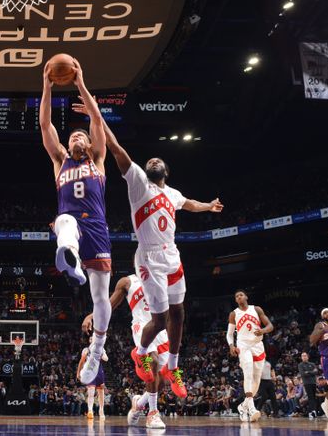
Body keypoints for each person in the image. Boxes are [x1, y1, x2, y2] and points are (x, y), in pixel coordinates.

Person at [72, 100, 222, 397]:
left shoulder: (173, 193)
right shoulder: (140, 182)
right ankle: (140, 352)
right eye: (150, 160)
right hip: (149, 255)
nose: (153, 161)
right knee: (161, 317)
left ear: (166, 170)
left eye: (157, 161)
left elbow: (188, 203)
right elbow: (115, 148)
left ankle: (174, 366)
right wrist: (96, 117)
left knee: (178, 313)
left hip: (172, 253)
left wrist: (208, 205)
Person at [40, 58, 112, 385]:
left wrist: (81, 82)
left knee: (99, 297)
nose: (76, 139)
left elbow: (97, 119)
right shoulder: (60, 162)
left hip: (97, 228)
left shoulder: (98, 159)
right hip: (73, 225)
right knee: (63, 220)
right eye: (72, 138)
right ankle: (68, 255)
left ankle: (97, 346)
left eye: (81, 136)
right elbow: (45, 127)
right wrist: (46, 84)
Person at [83, 273, 169, 429]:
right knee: (153, 362)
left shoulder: (161, 275)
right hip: (141, 326)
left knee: (162, 382)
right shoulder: (128, 282)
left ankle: (139, 404)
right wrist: (92, 315)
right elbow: (109, 305)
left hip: (160, 329)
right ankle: (153, 413)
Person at [227, 289, 273, 422]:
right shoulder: (234, 314)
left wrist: (263, 330)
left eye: (241, 295)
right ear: (236, 300)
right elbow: (229, 334)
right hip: (243, 346)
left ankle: (243, 406)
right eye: (236, 296)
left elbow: (270, 325)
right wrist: (231, 346)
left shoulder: (256, 309)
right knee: (248, 372)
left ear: (246, 297)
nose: (239, 297)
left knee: (257, 378)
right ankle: (252, 409)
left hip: (258, 345)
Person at [77, 335, 108, 420]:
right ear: (90, 341)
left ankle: (101, 410)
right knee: (91, 392)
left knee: (101, 393)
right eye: (90, 338)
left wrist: (101, 355)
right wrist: (78, 373)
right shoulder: (86, 350)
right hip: (89, 371)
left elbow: (106, 359)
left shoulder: (101, 348)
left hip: (99, 371)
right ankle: (90, 410)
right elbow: (81, 362)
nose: (92, 339)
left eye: (93, 338)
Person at [298, 352, 319, 418]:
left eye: (305, 356)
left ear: (308, 357)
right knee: (310, 397)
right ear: (301, 358)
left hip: (313, 383)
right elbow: (303, 374)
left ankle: (312, 411)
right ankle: (313, 411)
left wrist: (308, 372)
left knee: (314, 397)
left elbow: (316, 371)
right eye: (302, 356)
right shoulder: (300, 365)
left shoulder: (312, 364)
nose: (304, 357)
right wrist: (311, 372)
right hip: (307, 383)